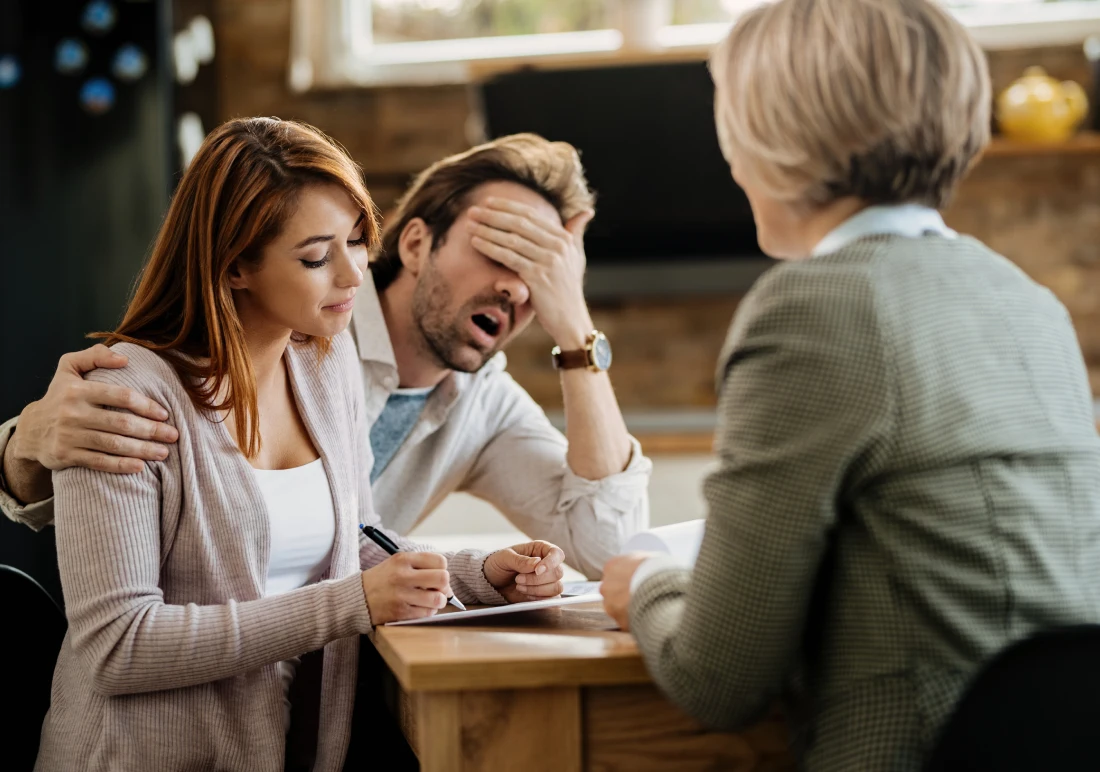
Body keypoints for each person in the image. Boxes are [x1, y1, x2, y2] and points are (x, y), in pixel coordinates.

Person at [599, 1, 1100, 769]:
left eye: (728, 118)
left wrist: (649, 585)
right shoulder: (1026, 300)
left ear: (774, 134)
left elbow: (718, 678)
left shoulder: (815, 306)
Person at [33, 117, 566, 771]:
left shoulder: (323, 359)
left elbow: (358, 536)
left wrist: (475, 576)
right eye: (316, 257)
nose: (352, 275)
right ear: (236, 269)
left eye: (357, 240)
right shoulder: (124, 394)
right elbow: (117, 646)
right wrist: (350, 605)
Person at [0, 134, 650, 580]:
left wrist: (577, 332)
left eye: (543, 274)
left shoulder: (482, 403)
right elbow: (111, 476)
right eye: (502, 252)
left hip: (326, 687)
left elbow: (609, 546)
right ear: (418, 244)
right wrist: (23, 447)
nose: (517, 285)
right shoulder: (291, 328)